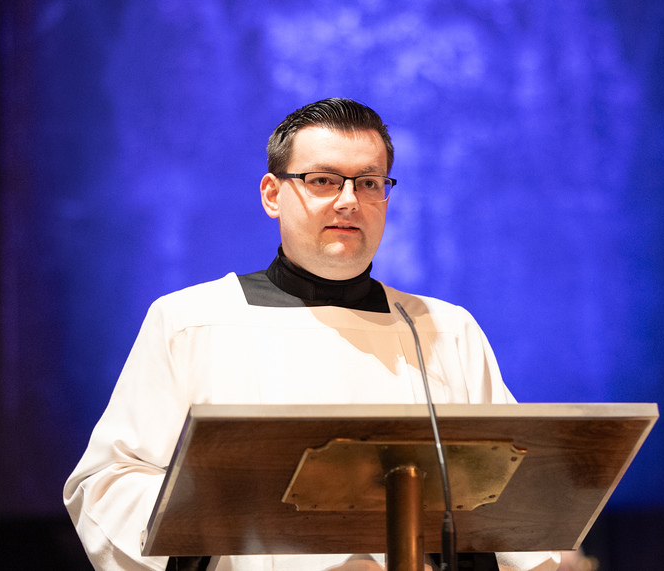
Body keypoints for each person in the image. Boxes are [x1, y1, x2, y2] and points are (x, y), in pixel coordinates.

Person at [63, 98, 559, 571]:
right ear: (272, 195)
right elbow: (109, 484)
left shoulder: (446, 330)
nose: (349, 201)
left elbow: (513, 491)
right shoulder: (192, 321)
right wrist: (222, 507)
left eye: (369, 182)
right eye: (323, 180)